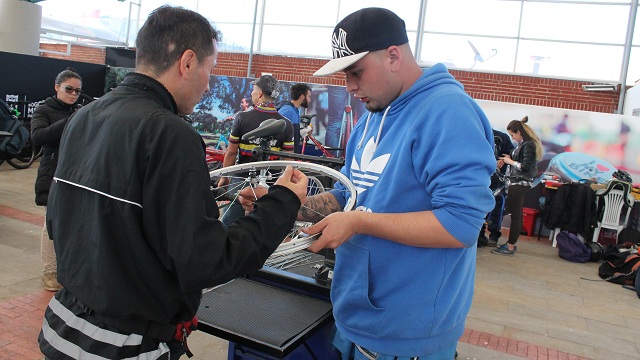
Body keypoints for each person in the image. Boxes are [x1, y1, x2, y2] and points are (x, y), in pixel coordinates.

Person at [38, 6, 308, 360]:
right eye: (210, 70)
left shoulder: (84, 117)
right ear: (187, 62)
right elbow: (206, 261)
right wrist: (283, 201)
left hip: (64, 328)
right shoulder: (170, 133)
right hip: (125, 345)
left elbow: (59, 223)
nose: (209, 83)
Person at [240, 7, 496, 359]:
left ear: (393, 56)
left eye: (356, 72)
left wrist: (360, 222)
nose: (350, 87)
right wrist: (283, 203)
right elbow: (349, 196)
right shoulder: (371, 116)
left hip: (409, 337)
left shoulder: (448, 112)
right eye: (345, 75)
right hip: (356, 320)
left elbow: (461, 224)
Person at [30, 68, 83, 292]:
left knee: (73, 224)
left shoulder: (80, 110)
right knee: (50, 225)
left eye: (78, 91)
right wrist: (69, 121)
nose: (73, 94)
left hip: (78, 173)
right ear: (57, 87)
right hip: (53, 172)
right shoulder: (44, 109)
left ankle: (69, 269)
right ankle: (50, 272)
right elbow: (38, 137)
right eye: (68, 89)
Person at [218, 74, 294, 225]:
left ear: (259, 93)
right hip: (271, 183)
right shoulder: (286, 124)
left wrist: (225, 177)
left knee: (229, 223)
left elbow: (231, 152)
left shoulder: (242, 118)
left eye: (253, 90)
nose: (252, 93)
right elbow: (287, 162)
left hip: (242, 180)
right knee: (264, 225)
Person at [492, 116, 543, 256]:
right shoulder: (525, 144)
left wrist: (509, 161)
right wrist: (506, 159)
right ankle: (510, 244)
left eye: (513, 135)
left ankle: (510, 246)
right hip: (517, 183)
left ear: (519, 132)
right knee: (515, 215)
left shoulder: (528, 145)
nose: (513, 138)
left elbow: (525, 166)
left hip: (519, 183)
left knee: (516, 216)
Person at [478, 128, 515, 247]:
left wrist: (505, 160)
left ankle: (493, 235)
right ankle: (480, 235)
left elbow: (512, 154)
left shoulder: (502, 137)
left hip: (497, 181)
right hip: (481, 180)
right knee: (479, 208)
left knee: (497, 208)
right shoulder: (477, 135)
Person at [278, 83, 311, 153]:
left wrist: (301, 133)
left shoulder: (294, 110)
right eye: (309, 96)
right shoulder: (287, 111)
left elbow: (290, 134)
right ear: (302, 97)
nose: (310, 100)